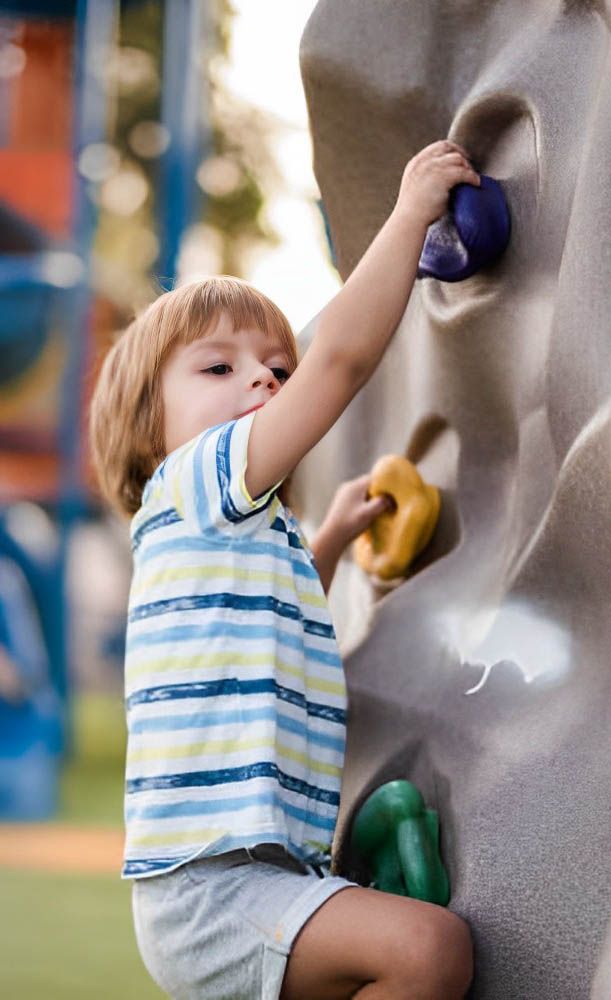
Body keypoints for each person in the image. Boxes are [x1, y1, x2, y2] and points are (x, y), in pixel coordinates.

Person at [88, 139, 478, 1000]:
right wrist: (410, 216)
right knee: (429, 952)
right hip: (215, 887)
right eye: (219, 367)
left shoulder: (246, 540)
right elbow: (338, 360)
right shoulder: (192, 478)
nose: (263, 379)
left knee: (419, 952)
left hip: (260, 879)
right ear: (154, 426)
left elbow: (262, 632)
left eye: (275, 368)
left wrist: (329, 542)